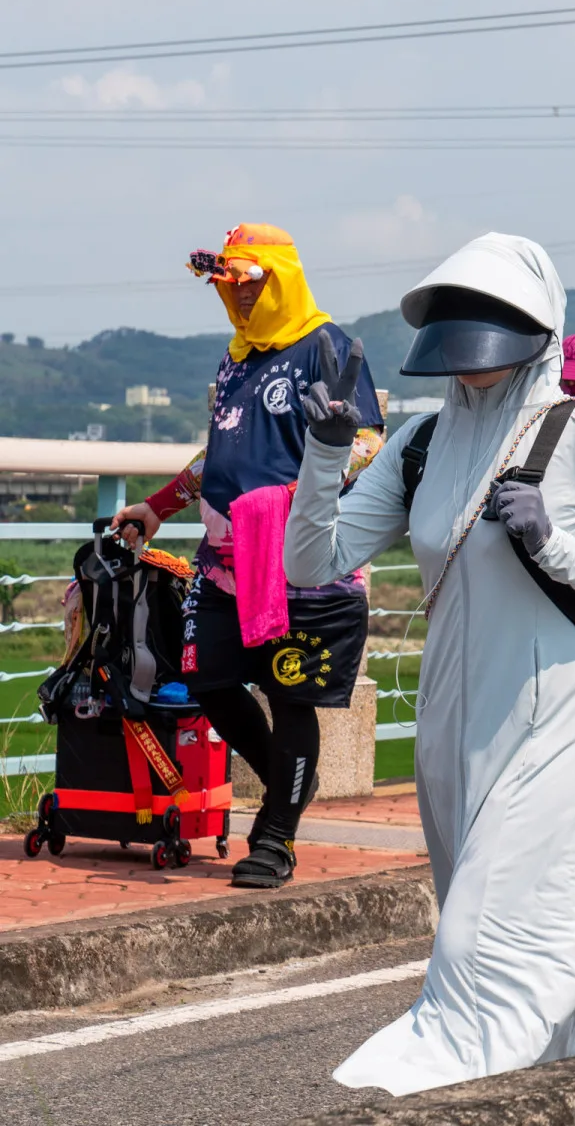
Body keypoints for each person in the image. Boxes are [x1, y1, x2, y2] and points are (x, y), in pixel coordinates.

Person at [284, 232, 575, 1095]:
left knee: (482, 935)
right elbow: (311, 564)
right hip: (454, 716)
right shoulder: (421, 444)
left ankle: (440, 1094)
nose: (472, 363)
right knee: (525, 910)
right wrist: (321, 455)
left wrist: (559, 544)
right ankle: (568, 1080)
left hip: (561, 711)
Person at [114, 224, 384, 890]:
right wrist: (157, 505)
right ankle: (290, 784)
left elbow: (369, 443)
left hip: (300, 560)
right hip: (226, 560)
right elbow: (222, 452)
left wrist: (302, 492)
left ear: (281, 279)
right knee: (205, 679)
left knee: (290, 695)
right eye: (227, 290)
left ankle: (277, 837)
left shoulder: (329, 347)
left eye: (247, 286)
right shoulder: (235, 358)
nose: (236, 301)